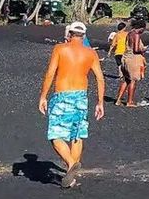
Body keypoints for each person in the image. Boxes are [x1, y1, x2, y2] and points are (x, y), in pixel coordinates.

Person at [38, 21, 106, 188]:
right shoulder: (90, 53)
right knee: (76, 134)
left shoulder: (60, 49)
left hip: (62, 95)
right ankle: (72, 176)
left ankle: (70, 164)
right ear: (83, 36)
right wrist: (100, 102)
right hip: (81, 96)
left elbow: (50, 73)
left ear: (69, 34)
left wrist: (43, 96)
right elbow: (99, 78)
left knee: (55, 134)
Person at [120, 20, 149, 107]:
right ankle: (129, 102)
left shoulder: (129, 33)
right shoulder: (136, 35)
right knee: (133, 81)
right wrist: (144, 49)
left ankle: (118, 100)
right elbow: (136, 49)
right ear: (141, 28)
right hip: (133, 59)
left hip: (126, 58)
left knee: (126, 80)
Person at [109, 21, 129, 105]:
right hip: (125, 53)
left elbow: (113, 44)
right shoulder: (127, 34)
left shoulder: (116, 35)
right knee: (125, 67)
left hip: (117, 53)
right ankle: (124, 78)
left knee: (120, 66)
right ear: (124, 28)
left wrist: (109, 52)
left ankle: (121, 77)